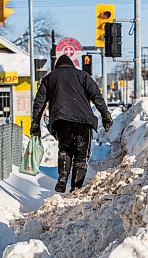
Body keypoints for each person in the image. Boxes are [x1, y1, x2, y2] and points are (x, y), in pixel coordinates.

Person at [30, 55, 113, 193]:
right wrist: (106, 116)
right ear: (71, 65)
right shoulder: (82, 75)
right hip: (82, 121)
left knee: (65, 150)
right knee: (81, 156)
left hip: (61, 121)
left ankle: (62, 178)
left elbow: (39, 103)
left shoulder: (49, 78)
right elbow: (96, 96)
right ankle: (76, 187)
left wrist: (35, 124)